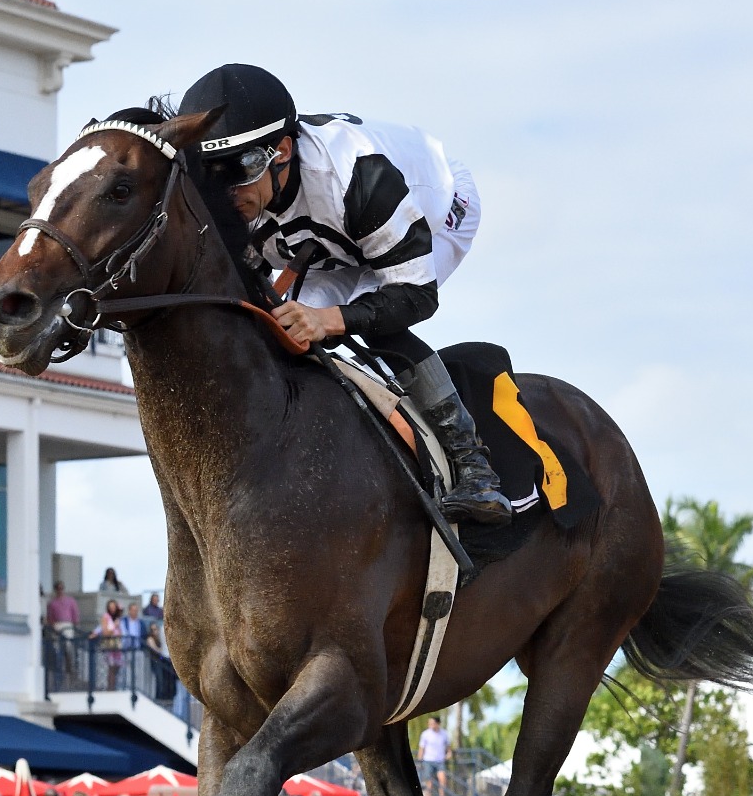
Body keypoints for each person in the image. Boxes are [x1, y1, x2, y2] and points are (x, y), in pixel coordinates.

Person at [180, 63, 511, 525]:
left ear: (282, 151)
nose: (227, 191)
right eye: (212, 174)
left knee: (372, 323)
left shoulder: (357, 177)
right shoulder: (241, 193)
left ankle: (474, 466)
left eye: (241, 169)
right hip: (331, 238)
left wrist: (331, 319)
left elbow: (415, 296)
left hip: (434, 209)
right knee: (285, 332)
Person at [416, 717, 449, 796]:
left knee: (442, 779)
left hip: (440, 761)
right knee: (429, 782)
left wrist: (447, 756)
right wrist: (419, 761)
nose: (431, 725)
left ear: (438, 723)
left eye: (433, 723)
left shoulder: (444, 734)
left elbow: (448, 750)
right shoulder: (425, 734)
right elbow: (421, 749)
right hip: (428, 761)